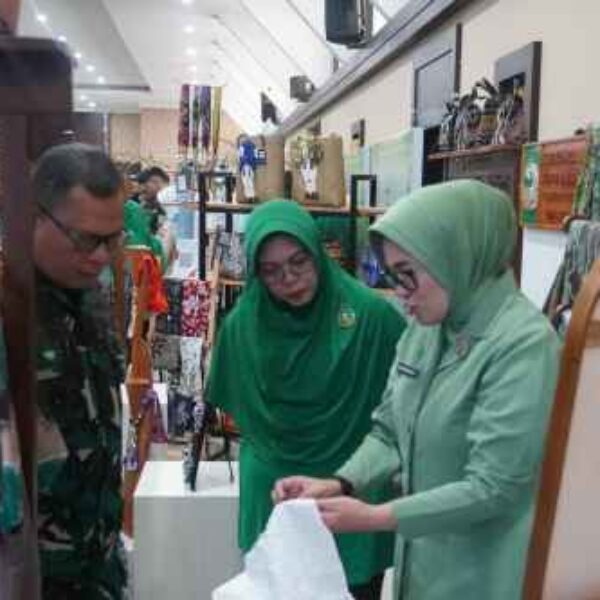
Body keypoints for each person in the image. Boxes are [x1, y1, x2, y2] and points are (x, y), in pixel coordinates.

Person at [274, 180, 561, 599]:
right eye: (393, 276)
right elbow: (390, 431)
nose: (400, 293)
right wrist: (340, 482)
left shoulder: (524, 345)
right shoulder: (428, 328)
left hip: (482, 573)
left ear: (454, 256)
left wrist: (377, 516)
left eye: (408, 275)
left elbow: (495, 487)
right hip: (422, 567)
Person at [206, 200, 406, 599]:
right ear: (256, 273)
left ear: (318, 251)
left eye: (299, 261)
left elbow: (405, 404)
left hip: (350, 487)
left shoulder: (371, 317)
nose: (289, 279)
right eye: (271, 270)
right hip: (275, 492)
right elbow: (238, 409)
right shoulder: (242, 327)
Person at [32, 143, 126, 597]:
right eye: (87, 239)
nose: (102, 256)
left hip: (96, 571)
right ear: (36, 218)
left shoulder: (91, 297)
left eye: (113, 239)